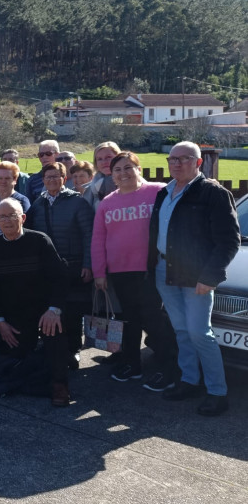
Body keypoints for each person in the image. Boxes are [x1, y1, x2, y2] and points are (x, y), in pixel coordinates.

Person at [150, 142, 240, 415]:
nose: (176, 164)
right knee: (181, 331)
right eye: (172, 159)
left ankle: (217, 392)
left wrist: (210, 277)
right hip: (165, 271)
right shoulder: (164, 193)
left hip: (197, 276)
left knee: (200, 333)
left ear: (198, 163)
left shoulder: (213, 193)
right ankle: (189, 381)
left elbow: (229, 241)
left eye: (184, 159)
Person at [92, 151, 179, 387]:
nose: (123, 173)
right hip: (120, 272)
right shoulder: (107, 203)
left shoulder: (158, 192)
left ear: (139, 169)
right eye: (118, 170)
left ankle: (168, 369)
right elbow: (98, 239)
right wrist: (99, 272)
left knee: (154, 320)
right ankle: (133, 365)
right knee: (129, 320)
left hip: (152, 270)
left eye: (128, 167)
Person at [0, 199, 70, 407]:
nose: (7, 220)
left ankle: (60, 384)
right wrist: (0, 321)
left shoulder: (40, 241)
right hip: (14, 313)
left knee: (55, 334)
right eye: (2, 216)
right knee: (17, 355)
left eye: (12, 215)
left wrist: (54, 310)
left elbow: (60, 279)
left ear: (22, 218)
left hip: (43, 310)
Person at [25, 161, 93, 366]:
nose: (52, 180)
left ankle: (73, 349)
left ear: (64, 179)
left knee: (72, 310)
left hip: (73, 264)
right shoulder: (38, 203)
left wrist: (88, 264)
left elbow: (89, 234)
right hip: (48, 267)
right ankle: (51, 345)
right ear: (43, 180)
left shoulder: (78, 202)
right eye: (48, 177)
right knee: (49, 307)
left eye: (56, 176)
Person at [83, 142, 121, 209]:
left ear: (119, 157)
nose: (104, 162)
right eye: (99, 159)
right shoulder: (92, 186)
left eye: (108, 157)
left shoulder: (131, 182)